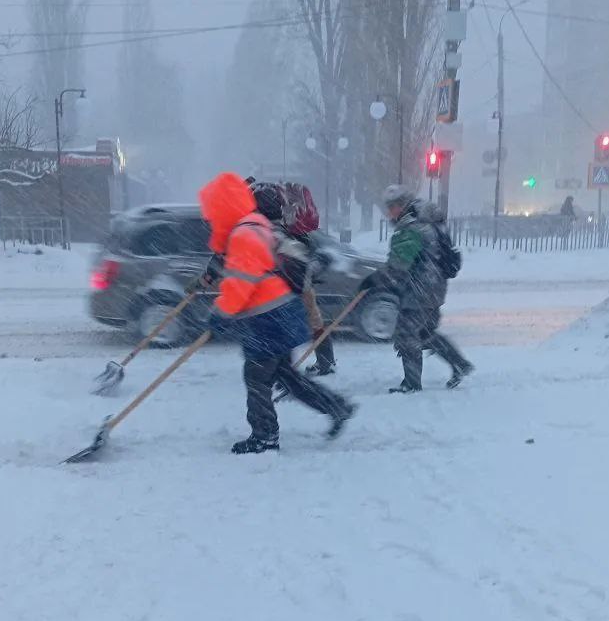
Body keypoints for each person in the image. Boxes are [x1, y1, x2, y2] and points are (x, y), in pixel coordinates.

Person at [197, 172, 356, 454]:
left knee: (256, 378)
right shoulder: (255, 225)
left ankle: (265, 436)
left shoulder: (244, 234)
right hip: (282, 314)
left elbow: (240, 283)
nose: (210, 221)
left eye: (213, 213)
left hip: (267, 320)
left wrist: (220, 315)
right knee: (285, 376)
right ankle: (336, 407)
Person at [368, 184, 473, 394]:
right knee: (424, 333)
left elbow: (397, 266)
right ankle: (459, 363)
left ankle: (412, 383)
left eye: (392, 207)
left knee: (407, 334)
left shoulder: (410, 229)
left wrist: (373, 280)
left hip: (419, 290)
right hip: (433, 287)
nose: (389, 212)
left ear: (402, 205)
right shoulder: (424, 223)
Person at [281, 183, 336, 376]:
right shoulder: (301, 232)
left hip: (295, 285)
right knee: (314, 321)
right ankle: (326, 360)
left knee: (297, 322)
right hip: (301, 283)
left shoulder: (295, 235)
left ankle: (285, 368)